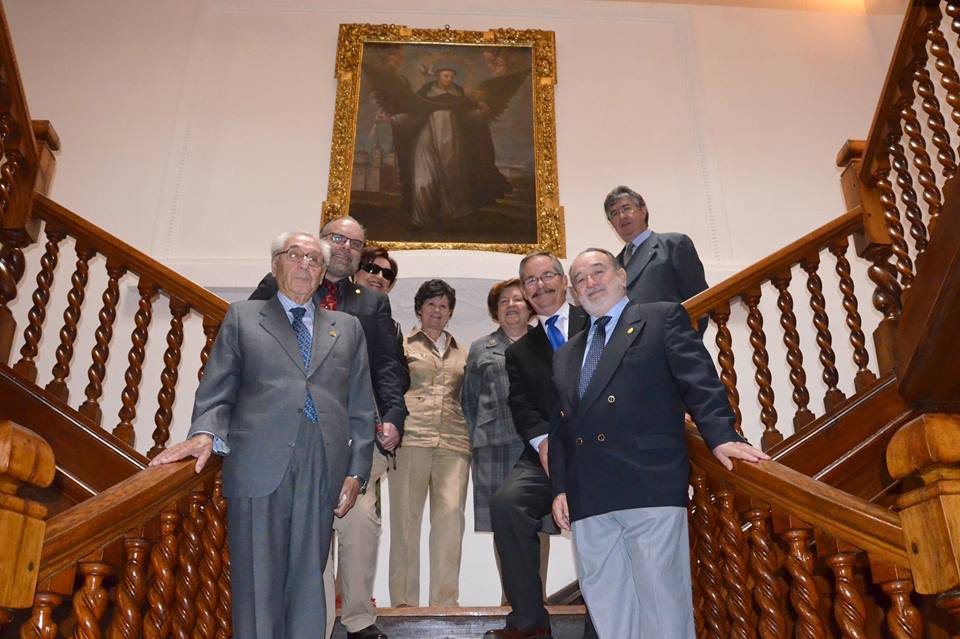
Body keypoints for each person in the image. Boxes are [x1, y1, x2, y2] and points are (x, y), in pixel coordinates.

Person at [149, 231, 376, 639]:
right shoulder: (242, 316)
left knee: (309, 583)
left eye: (314, 259)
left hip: (323, 466)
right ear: (276, 265)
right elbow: (217, 388)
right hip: (258, 462)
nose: (305, 264)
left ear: (324, 273)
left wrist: (357, 472)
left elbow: (362, 407)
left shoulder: (347, 328)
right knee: (257, 582)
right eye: (295, 256)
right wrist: (204, 432)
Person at [550, 248, 769, 638]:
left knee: (662, 607)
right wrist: (561, 488)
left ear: (622, 276)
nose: (590, 283)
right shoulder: (566, 354)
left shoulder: (660, 318)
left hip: (647, 482)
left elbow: (698, 381)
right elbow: (562, 426)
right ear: (573, 294)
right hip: (589, 496)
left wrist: (722, 436)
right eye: (580, 279)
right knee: (608, 608)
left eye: (597, 272)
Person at [250, 218, 407, 639]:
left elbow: (389, 367)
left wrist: (393, 416)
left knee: (358, 520)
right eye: (337, 239)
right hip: (294, 435)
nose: (345, 248)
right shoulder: (283, 286)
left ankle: (358, 621)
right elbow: (250, 342)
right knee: (309, 530)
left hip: (358, 433)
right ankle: (313, 628)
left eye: (356, 244)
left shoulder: (372, 304)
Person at [484, 252, 597, 639]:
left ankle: (600, 627)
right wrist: (544, 441)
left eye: (547, 275)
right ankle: (530, 623)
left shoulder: (595, 320)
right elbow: (524, 407)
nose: (540, 285)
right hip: (548, 452)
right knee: (507, 503)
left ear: (564, 281)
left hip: (601, 447)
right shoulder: (519, 351)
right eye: (530, 281)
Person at [389, 279, 469, 607]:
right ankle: (404, 605)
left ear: (450, 313)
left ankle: (445, 604)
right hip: (410, 438)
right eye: (431, 304)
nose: (437, 311)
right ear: (419, 309)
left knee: (450, 520)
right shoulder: (401, 344)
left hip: (455, 442)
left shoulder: (463, 352)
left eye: (443, 306)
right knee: (406, 522)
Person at [462, 279, 532, 540]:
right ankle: (510, 584)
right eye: (504, 301)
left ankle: (537, 584)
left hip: (538, 447)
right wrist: (477, 436)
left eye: (517, 299)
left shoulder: (545, 342)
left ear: (529, 306)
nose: (511, 305)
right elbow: (469, 400)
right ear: (496, 311)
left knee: (537, 522)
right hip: (494, 447)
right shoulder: (481, 347)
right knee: (503, 526)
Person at [603, 185, 709, 332]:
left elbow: (701, 300)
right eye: (614, 213)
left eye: (627, 208)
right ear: (612, 224)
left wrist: (687, 340)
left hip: (672, 341)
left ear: (643, 210)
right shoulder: (615, 265)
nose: (622, 216)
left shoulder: (673, 244)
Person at [356, 245, 403, 356]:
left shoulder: (393, 329)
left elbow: (392, 363)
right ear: (355, 272)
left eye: (387, 274)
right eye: (372, 269)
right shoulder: (336, 307)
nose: (380, 276)